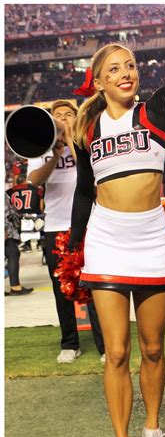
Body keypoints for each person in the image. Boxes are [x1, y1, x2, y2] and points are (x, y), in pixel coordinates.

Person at [68, 5, 165, 437]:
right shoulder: (88, 128)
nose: (126, 73)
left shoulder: (157, 111)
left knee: (152, 347)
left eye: (130, 65)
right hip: (106, 240)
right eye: (115, 69)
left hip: (150, 240)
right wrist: (73, 247)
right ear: (100, 81)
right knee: (116, 351)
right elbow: (85, 193)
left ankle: (151, 430)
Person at [28, 99, 105, 365]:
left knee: (95, 286)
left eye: (67, 115)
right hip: (55, 227)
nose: (62, 119)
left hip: (86, 223)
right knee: (61, 290)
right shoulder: (41, 147)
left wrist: (70, 137)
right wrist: (56, 153)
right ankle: (69, 343)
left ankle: (104, 345)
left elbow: (90, 170)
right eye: (57, 116)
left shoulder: (84, 142)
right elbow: (35, 180)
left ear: (77, 117)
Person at [6, 174, 44, 252]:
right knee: (41, 225)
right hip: (35, 214)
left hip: (18, 217)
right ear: (26, 180)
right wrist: (41, 212)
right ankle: (40, 243)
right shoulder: (36, 189)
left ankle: (26, 245)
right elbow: (41, 201)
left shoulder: (9, 191)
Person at [4, 193, 33, 296]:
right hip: (6, 229)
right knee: (13, 253)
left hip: (8, 227)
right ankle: (15, 286)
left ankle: (15, 286)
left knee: (13, 253)